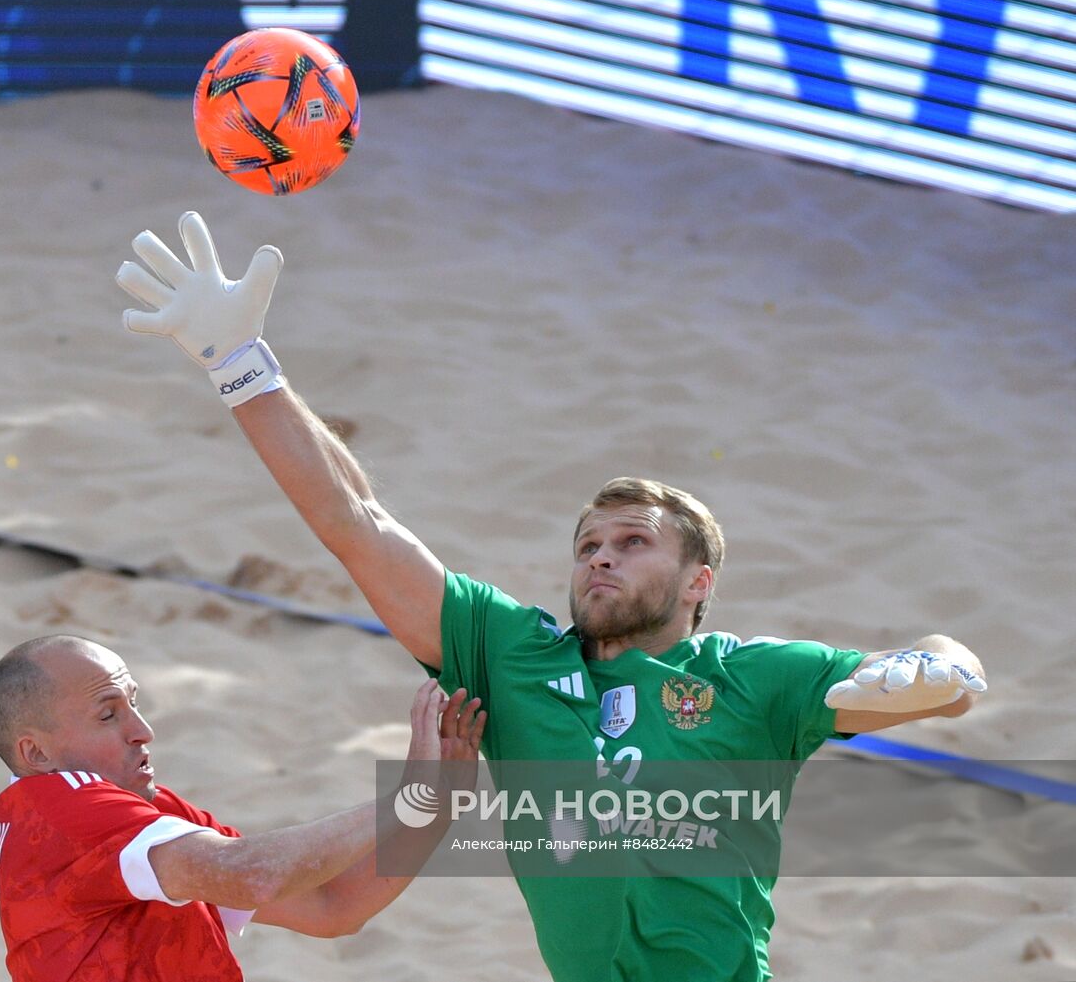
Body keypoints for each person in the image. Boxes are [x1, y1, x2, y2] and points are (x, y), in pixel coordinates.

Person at [112, 213, 990, 982]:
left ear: (700, 582)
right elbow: (356, 521)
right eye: (588, 545)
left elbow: (945, 670)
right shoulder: (511, 652)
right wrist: (241, 366)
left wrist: (931, 672)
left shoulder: (756, 679)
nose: (599, 559)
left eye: (633, 542)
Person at [0, 633, 485, 982]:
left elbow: (332, 906)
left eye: (135, 703)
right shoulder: (63, 808)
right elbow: (255, 875)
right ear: (36, 753)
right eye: (108, 714)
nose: (143, 730)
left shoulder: (142, 815)